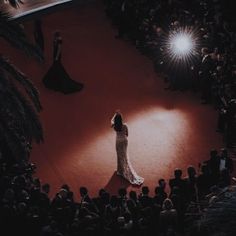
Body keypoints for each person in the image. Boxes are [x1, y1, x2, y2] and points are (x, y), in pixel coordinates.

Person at [111, 112, 144, 185]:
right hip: (124, 141)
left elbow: (111, 120)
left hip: (118, 142)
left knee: (119, 155)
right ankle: (122, 169)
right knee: (125, 155)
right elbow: (127, 134)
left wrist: (114, 115)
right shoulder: (125, 125)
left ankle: (120, 170)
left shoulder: (114, 126)